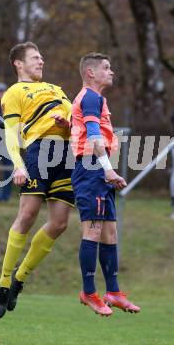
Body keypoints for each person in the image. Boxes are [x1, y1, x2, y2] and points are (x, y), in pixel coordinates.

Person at [0, 42, 74, 319]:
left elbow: (78, 125)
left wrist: (70, 126)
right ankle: (3, 283)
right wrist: (18, 165)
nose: (41, 61)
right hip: (39, 151)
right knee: (27, 216)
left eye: (42, 56)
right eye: (35, 58)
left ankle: (19, 278)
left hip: (67, 154)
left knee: (61, 223)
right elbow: (11, 134)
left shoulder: (58, 90)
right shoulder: (15, 92)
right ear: (19, 63)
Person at [71, 52, 139, 316]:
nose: (112, 72)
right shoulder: (91, 97)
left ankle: (113, 291)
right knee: (93, 232)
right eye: (106, 68)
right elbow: (94, 138)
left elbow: (82, 128)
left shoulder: (92, 99)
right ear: (91, 72)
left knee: (110, 232)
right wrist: (108, 170)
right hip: (91, 170)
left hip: (96, 169)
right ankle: (89, 292)